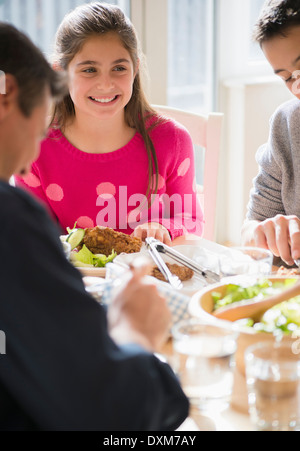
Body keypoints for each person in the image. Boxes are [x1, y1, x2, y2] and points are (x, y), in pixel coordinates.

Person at [0, 23, 189, 431]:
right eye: (43, 103)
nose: (38, 141)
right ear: (10, 96)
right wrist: (135, 333)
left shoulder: (168, 140)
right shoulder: (12, 220)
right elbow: (116, 412)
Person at [15, 2, 203, 245]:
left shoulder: (172, 140)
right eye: (90, 70)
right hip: (76, 281)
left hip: (152, 276)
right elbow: (34, 237)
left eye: (119, 68)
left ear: (135, 68)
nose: (106, 84)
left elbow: (192, 219)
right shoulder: (35, 150)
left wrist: (163, 226)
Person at [241, 0, 300, 267]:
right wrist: (262, 233)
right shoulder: (287, 125)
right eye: (287, 77)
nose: (297, 88)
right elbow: (250, 230)